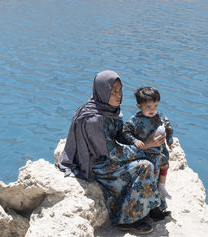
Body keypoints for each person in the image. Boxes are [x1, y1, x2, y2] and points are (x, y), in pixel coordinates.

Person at [56, 71, 168, 235]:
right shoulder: (94, 119)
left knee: (154, 155)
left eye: (120, 90)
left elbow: (120, 134)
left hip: (108, 157)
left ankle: (150, 206)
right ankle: (128, 219)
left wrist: (139, 141)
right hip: (97, 164)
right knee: (144, 166)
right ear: (102, 91)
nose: (118, 95)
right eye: (113, 91)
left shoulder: (109, 109)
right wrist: (144, 146)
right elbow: (113, 153)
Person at [123, 87, 175, 201]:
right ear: (139, 106)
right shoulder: (135, 120)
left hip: (160, 151)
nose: (153, 110)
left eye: (155, 106)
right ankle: (150, 201)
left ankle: (162, 187)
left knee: (164, 166)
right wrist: (135, 141)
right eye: (148, 107)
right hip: (145, 153)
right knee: (151, 175)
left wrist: (170, 142)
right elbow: (125, 132)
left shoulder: (160, 117)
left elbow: (169, 128)